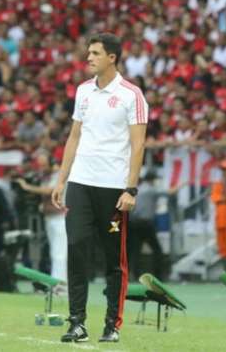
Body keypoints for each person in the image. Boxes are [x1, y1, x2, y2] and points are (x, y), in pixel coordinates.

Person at [51, 33, 148, 343]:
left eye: (95, 53)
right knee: (77, 249)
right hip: (81, 183)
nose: (88, 58)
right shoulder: (83, 92)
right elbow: (75, 136)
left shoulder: (132, 95)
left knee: (112, 259)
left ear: (112, 58)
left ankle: (112, 324)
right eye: (88, 52)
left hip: (113, 189)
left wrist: (130, 189)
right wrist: (62, 178)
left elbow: (138, 143)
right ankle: (76, 323)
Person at [17, 153, 67, 284]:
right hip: (50, 216)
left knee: (59, 253)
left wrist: (27, 187)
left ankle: (60, 283)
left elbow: (49, 191)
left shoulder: (59, 175)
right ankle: (57, 282)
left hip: (60, 217)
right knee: (54, 252)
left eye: (44, 165)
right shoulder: (47, 175)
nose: (41, 168)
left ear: (52, 163)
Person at [128, 170, 181, 282]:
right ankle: (159, 275)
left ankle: (134, 275)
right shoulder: (151, 190)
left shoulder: (139, 189)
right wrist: (180, 186)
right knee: (157, 250)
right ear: (152, 180)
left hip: (134, 222)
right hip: (146, 223)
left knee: (136, 251)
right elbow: (169, 192)